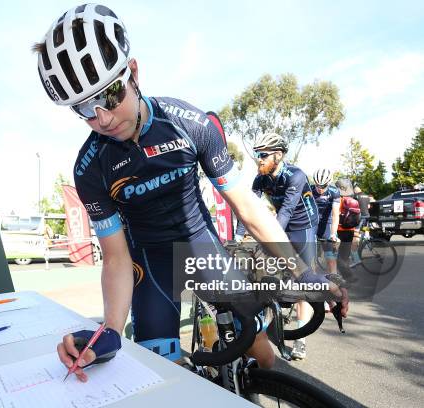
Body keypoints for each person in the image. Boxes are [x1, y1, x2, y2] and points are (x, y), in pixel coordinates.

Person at [33, 3, 347, 382]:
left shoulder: (189, 123)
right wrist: (111, 330)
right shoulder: (90, 166)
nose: (101, 116)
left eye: (111, 94)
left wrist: (301, 271)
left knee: (261, 351)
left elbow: (246, 206)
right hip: (148, 265)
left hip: (201, 248)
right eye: (84, 107)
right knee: (162, 378)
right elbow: (115, 258)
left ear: (133, 73)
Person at [235, 133, 319, 360]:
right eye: (256, 155)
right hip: (281, 227)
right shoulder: (260, 179)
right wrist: (238, 237)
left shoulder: (296, 175)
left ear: (278, 155)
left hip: (303, 228)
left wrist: (266, 239)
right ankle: (258, 334)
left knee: (303, 283)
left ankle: (300, 339)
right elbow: (247, 211)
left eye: (263, 155)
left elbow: (286, 212)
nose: (258, 159)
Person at [311, 168, 341, 274]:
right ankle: (312, 282)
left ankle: (333, 280)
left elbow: (335, 215)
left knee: (331, 260)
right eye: (317, 185)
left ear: (328, 183)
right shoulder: (309, 190)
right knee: (310, 259)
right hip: (312, 224)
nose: (319, 189)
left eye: (323, 186)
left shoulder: (334, 192)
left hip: (327, 225)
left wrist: (333, 234)